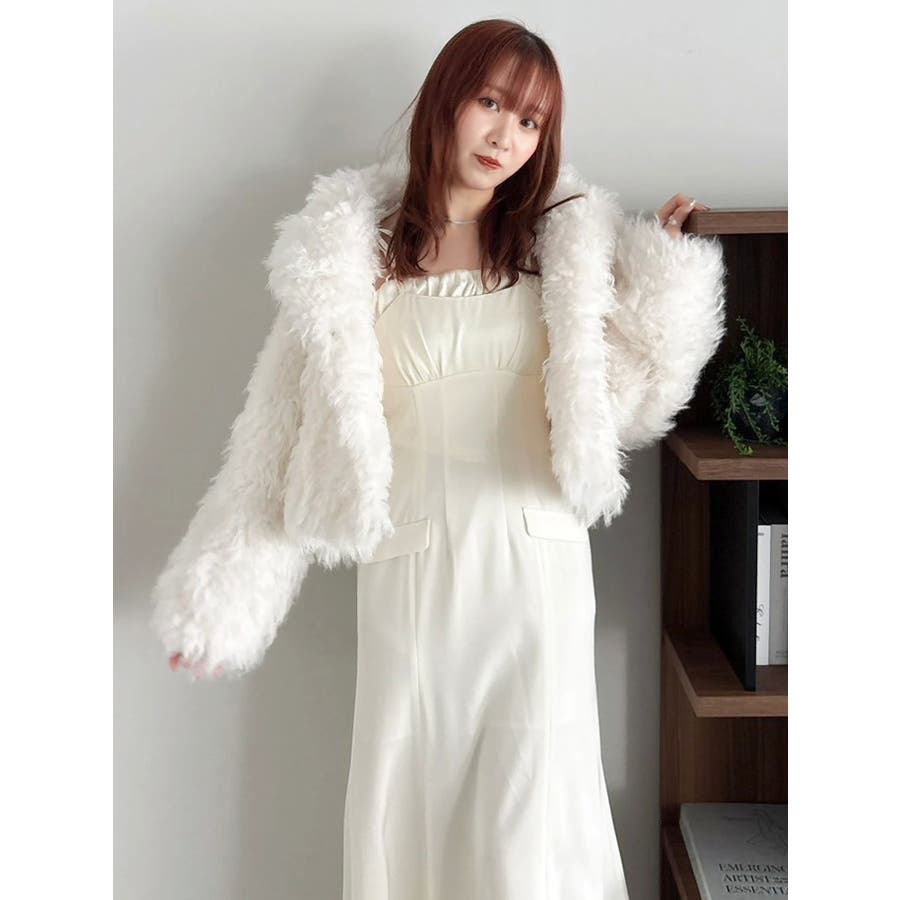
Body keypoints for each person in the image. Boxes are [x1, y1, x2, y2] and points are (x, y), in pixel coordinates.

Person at [152, 18, 725, 900]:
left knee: (532, 814)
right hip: (412, 581)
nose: (506, 136)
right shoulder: (347, 258)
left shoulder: (563, 246)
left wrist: (669, 278)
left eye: (530, 121)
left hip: (536, 575)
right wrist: (218, 607)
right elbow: (276, 436)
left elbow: (634, 402)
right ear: (446, 100)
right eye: (491, 102)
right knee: (413, 811)